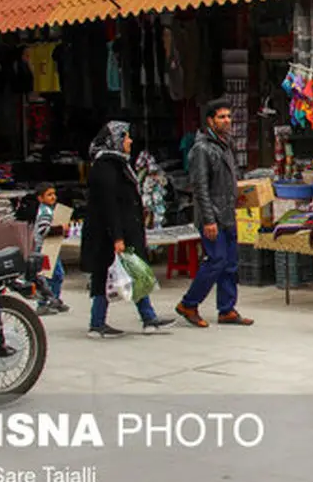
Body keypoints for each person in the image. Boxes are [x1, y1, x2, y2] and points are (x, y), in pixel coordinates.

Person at [80, 121, 175, 338]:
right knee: (105, 277)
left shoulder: (118, 163)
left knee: (135, 272)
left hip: (123, 231)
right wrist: (117, 237)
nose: (130, 141)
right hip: (109, 235)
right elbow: (109, 205)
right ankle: (97, 324)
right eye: (125, 137)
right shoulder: (104, 168)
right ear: (114, 140)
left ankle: (148, 319)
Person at [176, 99, 254, 328]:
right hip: (213, 216)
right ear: (210, 121)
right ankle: (189, 303)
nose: (227, 121)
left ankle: (227, 309)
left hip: (228, 213)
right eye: (221, 117)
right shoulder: (202, 149)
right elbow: (200, 187)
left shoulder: (226, 144)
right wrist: (209, 220)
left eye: (229, 116)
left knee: (230, 263)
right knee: (216, 261)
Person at [31, 183, 68, 315]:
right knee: (51, 276)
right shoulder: (45, 212)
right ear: (40, 198)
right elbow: (43, 230)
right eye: (49, 195)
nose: (53, 197)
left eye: (54, 194)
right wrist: (60, 229)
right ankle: (44, 303)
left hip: (49, 247)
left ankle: (54, 300)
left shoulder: (49, 210)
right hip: (44, 248)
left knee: (55, 275)